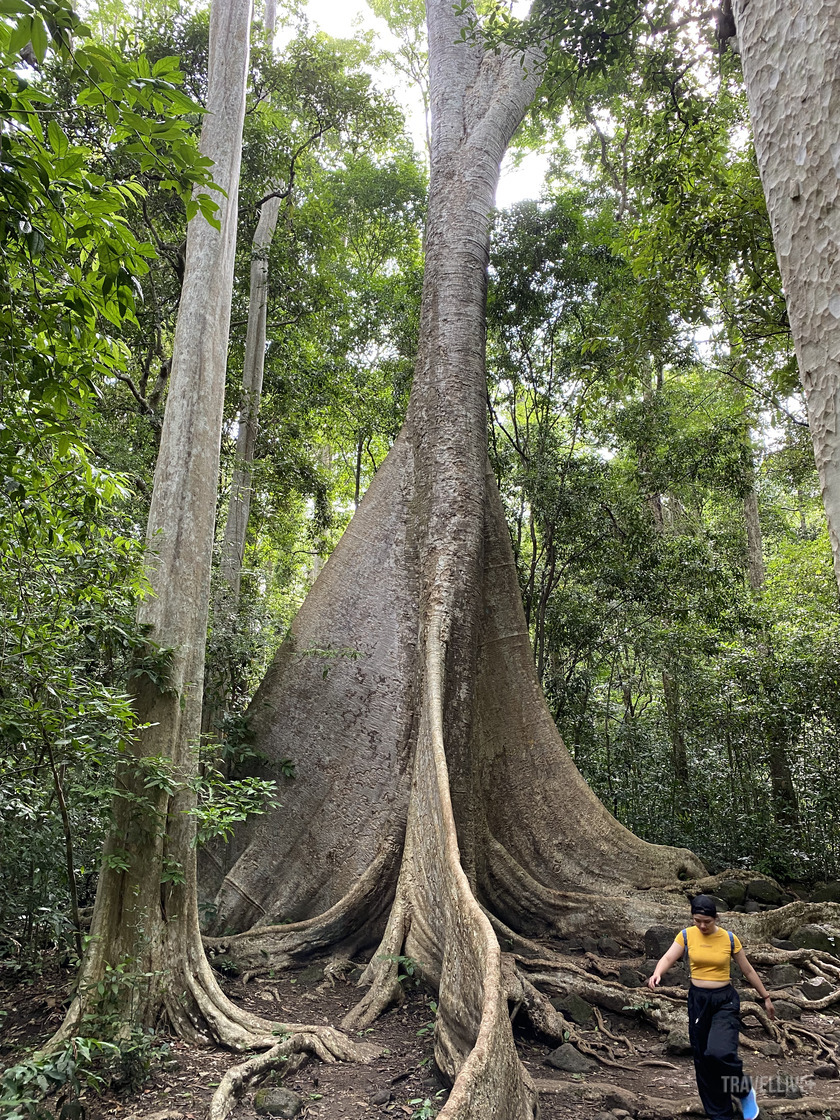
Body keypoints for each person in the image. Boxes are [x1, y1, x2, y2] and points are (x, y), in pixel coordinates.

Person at [647, 894, 775, 1120]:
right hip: (698, 1001)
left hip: (724, 1001)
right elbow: (668, 958)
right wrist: (657, 973)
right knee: (704, 1060)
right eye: (698, 921)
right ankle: (721, 1114)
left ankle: (744, 1091)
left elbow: (747, 970)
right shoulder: (686, 935)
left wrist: (765, 996)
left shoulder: (729, 939)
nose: (703, 926)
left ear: (716, 918)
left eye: (707, 921)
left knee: (720, 1051)